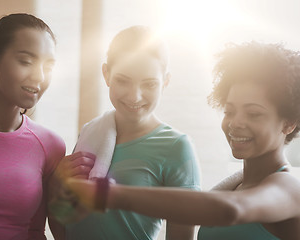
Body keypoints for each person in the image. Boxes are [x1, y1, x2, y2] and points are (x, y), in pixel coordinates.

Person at [66, 41, 300, 240]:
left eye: (254, 114)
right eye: (229, 111)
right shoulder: (233, 188)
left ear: (289, 123)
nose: (236, 123)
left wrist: (110, 195)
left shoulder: (290, 189)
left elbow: (231, 210)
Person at [0, 13, 94, 240]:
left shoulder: (50, 145)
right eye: (26, 61)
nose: (39, 77)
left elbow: (42, 231)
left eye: (48, 66)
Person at [62, 26, 201, 240]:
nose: (135, 96)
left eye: (149, 84)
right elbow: (66, 215)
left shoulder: (177, 148)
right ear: (106, 74)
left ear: (165, 82)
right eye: (123, 81)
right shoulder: (91, 133)